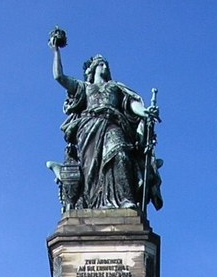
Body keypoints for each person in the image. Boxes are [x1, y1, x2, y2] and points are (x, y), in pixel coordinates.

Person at [50, 34, 159, 211]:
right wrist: (55, 50)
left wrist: (144, 112)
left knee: (120, 153)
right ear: (92, 69)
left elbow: (132, 103)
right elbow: (59, 77)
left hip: (113, 123)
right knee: (90, 171)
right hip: (88, 128)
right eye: (100, 63)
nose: (105, 66)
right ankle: (92, 203)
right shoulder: (84, 87)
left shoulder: (115, 87)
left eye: (106, 63)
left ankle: (124, 199)